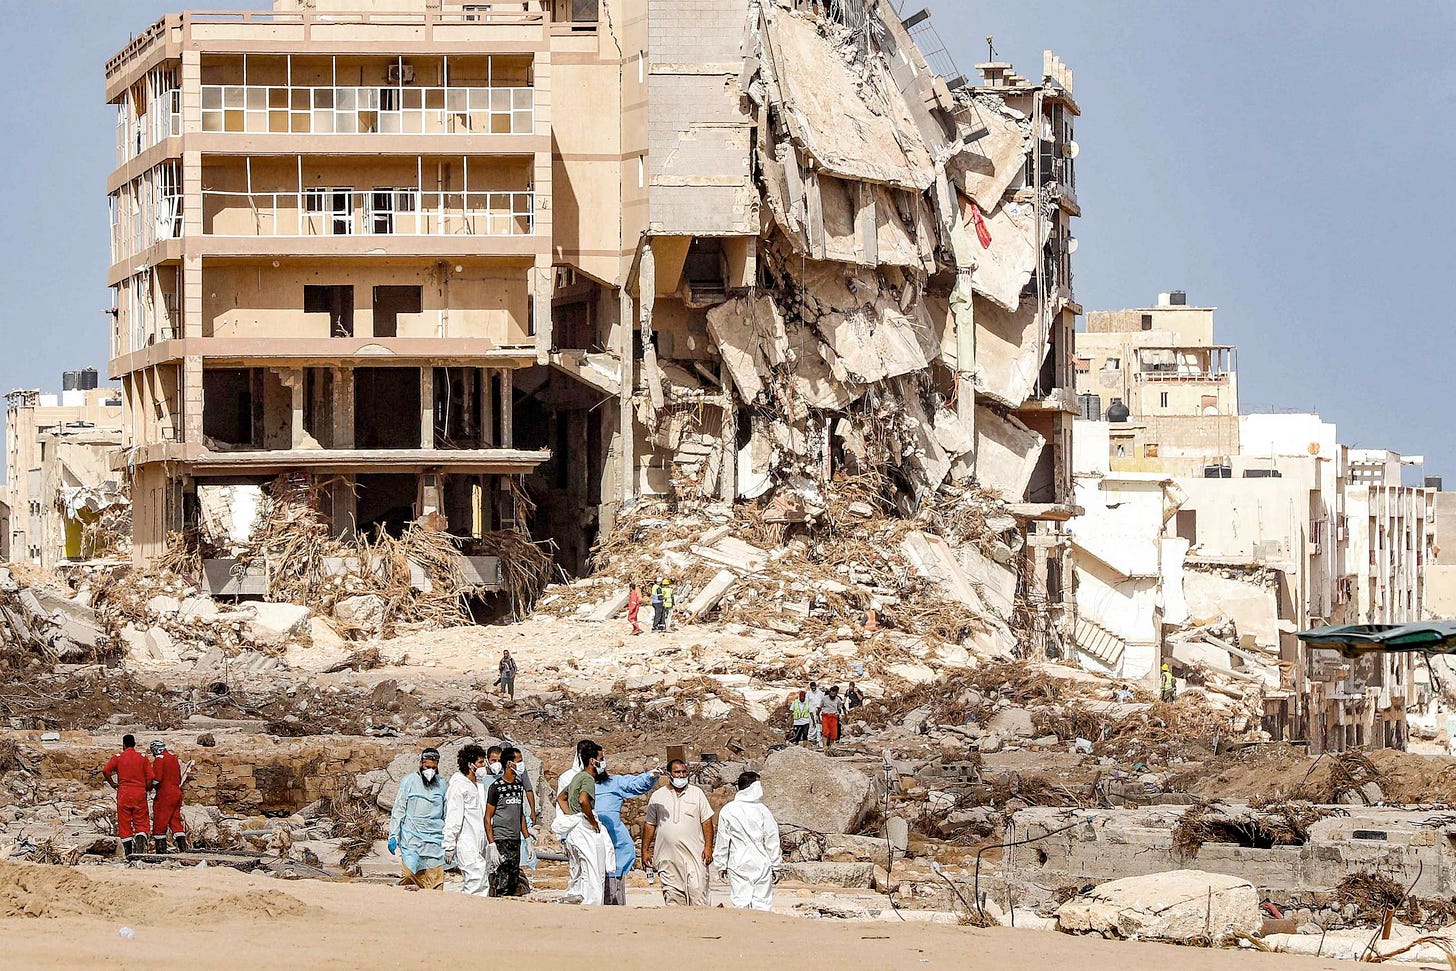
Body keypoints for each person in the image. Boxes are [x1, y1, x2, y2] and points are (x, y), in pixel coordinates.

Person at [642, 759, 715, 906]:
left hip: (694, 854)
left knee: (698, 894)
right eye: (677, 772)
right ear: (669, 774)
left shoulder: (697, 794)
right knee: (673, 898)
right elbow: (650, 824)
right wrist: (645, 850)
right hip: (667, 856)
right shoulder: (658, 796)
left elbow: (707, 822)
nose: (681, 775)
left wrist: (708, 847)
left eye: (683, 772)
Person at [551, 740, 615, 905]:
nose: (603, 762)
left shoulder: (576, 777)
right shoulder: (587, 779)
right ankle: (592, 905)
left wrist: (572, 815)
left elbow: (561, 798)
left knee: (581, 872)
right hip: (585, 830)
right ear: (593, 761)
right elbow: (583, 799)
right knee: (594, 871)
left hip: (575, 830)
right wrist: (591, 821)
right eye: (601, 758)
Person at [712, 771, 782, 911]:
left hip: (738, 861)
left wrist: (721, 864)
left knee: (740, 900)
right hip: (761, 861)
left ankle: (743, 929)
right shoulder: (763, 810)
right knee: (762, 902)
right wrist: (776, 864)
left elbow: (722, 840)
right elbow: (771, 839)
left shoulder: (728, 810)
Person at [592, 761, 660, 904]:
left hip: (616, 843)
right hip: (589, 840)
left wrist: (649, 776)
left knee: (614, 884)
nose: (600, 763)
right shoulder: (578, 782)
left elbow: (633, 784)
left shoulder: (613, 782)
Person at [388, 747, 448, 890]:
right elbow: (399, 809)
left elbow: (446, 813)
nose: (430, 771)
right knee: (409, 875)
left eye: (434, 767)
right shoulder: (409, 781)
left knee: (435, 884)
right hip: (412, 839)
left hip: (434, 841)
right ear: (421, 763)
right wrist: (394, 835)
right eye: (428, 767)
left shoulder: (442, 784)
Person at [444, 744, 492, 896]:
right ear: (470, 765)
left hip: (480, 840)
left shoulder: (479, 785)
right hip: (467, 841)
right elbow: (453, 816)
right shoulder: (458, 785)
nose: (484, 766)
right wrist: (449, 844)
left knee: (482, 879)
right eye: (480, 763)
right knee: (475, 880)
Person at [486, 746, 532, 897]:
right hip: (501, 839)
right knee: (501, 882)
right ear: (509, 764)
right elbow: (487, 817)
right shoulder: (496, 787)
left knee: (513, 880)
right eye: (518, 762)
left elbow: (520, 814)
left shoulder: (518, 785)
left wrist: (527, 839)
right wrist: (492, 844)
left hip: (515, 839)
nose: (521, 765)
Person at [102, 734, 154, 858]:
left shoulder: (118, 757)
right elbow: (151, 777)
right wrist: (147, 788)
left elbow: (105, 771)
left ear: (123, 745)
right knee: (141, 821)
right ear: (134, 744)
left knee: (124, 823)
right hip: (139, 792)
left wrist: (113, 784)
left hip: (124, 793)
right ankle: (140, 851)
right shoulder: (142, 758)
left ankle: (129, 854)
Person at [148, 740, 187, 853]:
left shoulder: (160, 759)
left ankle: (161, 851)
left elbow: (157, 779)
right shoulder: (174, 758)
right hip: (177, 792)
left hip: (165, 793)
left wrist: (149, 787)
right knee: (175, 821)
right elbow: (179, 777)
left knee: (160, 822)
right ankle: (183, 849)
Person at [806, 681, 825, 745]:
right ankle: (811, 738)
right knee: (812, 724)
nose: (813, 688)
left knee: (819, 725)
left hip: (819, 711)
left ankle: (818, 739)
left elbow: (822, 701)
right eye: (812, 687)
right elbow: (807, 703)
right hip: (811, 711)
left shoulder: (820, 693)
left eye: (814, 687)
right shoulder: (808, 693)